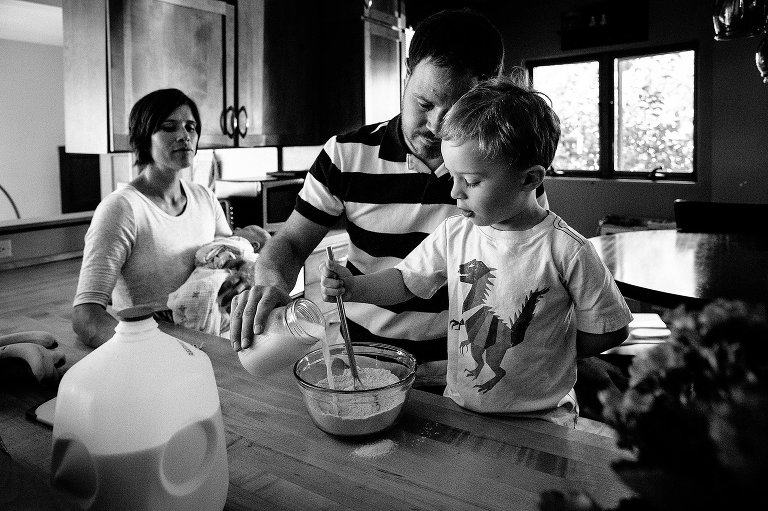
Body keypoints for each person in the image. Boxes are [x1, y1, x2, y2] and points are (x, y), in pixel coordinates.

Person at [227, 9, 548, 387]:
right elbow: (293, 243)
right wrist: (272, 283)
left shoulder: (503, 171)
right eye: (425, 104)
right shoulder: (345, 155)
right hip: (360, 361)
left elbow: (528, 262)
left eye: (457, 110)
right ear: (406, 72)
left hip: (461, 373)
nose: (435, 126)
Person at [320, 76, 632, 426]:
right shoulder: (456, 232)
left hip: (545, 415)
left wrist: (551, 352)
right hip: (461, 404)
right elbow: (406, 282)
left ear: (530, 179)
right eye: (451, 176)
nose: (455, 192)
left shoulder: (567, 249)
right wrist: (354, 287)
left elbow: (610, 327)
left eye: (470, 181)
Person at [72, 88, 263, 347]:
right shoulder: (122, 209)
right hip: (156, 350)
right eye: (169, 127)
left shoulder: (205, 198)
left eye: (191, 127)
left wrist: (245, 276)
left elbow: (231, 258)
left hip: (216, 344)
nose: (184, 135)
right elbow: (87, 317)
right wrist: (151, 352)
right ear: (144, 137)